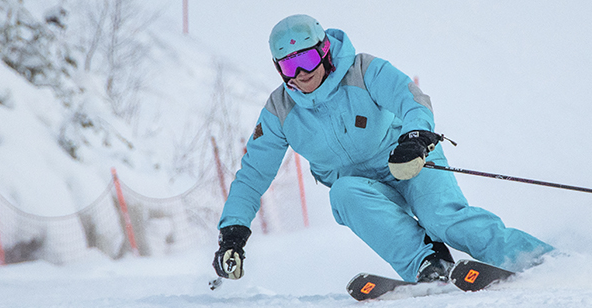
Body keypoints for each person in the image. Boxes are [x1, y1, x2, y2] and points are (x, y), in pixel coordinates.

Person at [212, 14, 554, 283]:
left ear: (324, 51)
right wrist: (233, 232)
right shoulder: (280, 111)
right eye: (289, 65)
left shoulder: (363, 70)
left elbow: (410, 98)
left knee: (443, 219)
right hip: (363, 187)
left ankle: (541, 261)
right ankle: (428, 264)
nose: (302, 73)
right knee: (343, 194)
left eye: (308, 59)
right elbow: (253, 173)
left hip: (409, 161)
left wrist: (415, 137)